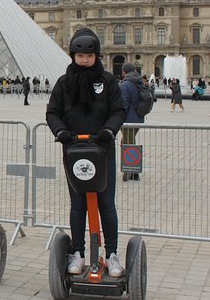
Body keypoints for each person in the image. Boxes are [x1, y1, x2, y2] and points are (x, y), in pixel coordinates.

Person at [46, 28, 126, 277]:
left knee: (106, 204)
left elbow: (118, 110)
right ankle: (78, 252)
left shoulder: (108, 81)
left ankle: (111, 254)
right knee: (78, 205)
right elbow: (53, 113)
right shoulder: (64, 82)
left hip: (102, 150)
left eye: (89, 55)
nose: (84, 59)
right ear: (73, 55)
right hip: (74, 151)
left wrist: (109, 130)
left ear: (96, 56)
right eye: (79, 55)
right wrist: (60, 132)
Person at [119, 63, 145, 182]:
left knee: (128, 144)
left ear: (124, 72)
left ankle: (131, 171)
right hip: (138, 118)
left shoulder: (125, 85)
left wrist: (118, 117)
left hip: (128, 119)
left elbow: (123, 104)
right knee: (127, 141)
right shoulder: (139, 82)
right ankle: (132, 171)